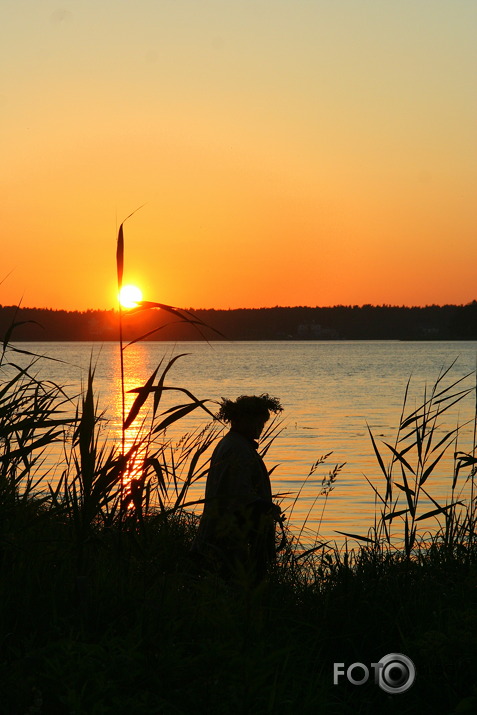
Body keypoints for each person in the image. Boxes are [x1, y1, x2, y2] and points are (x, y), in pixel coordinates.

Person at [194, 394, 283, 582]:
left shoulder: (234, 444)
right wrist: (268, 508)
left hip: (229, 537)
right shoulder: (237, 448)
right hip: (232, 541)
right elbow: (237, 494)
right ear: (241, 420)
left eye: (262, 422)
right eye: (257, 421)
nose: (261, 426)